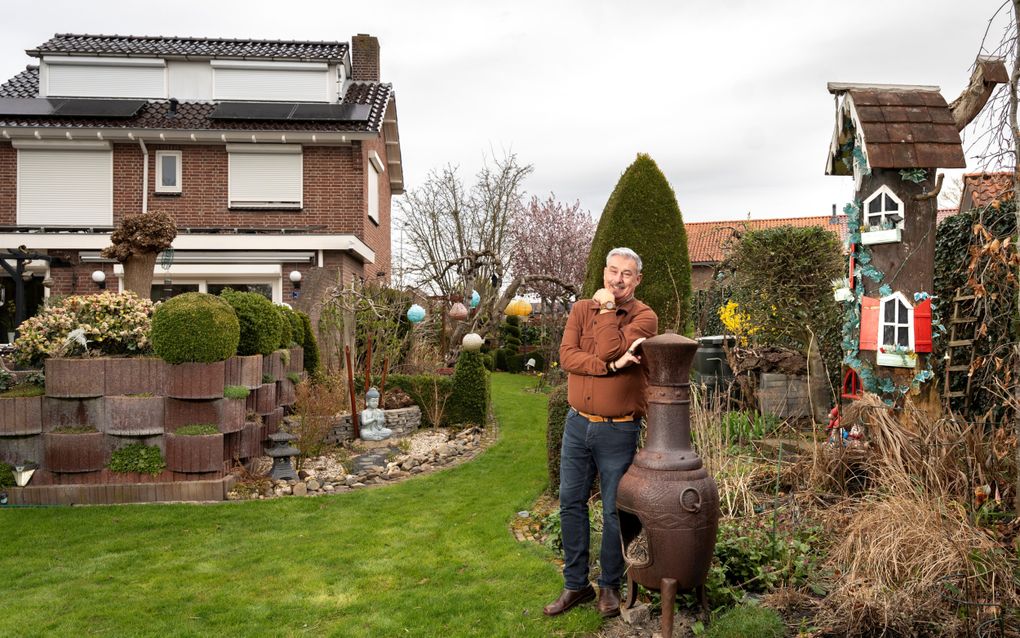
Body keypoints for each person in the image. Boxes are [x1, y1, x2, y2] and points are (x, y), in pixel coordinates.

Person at [544, 247, 658, 619]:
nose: (617, 279)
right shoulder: (580, 309)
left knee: (613, 511)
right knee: (571, 504)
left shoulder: (644, 318)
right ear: (604, 272)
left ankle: (609, 585)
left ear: (637, 280)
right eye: (612, 271)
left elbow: (611, 345)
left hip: (618, 430)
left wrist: (608, 311)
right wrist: (609, 367)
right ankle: (576, 585)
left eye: (626, 274)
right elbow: (567, 357)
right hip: (577, 424)